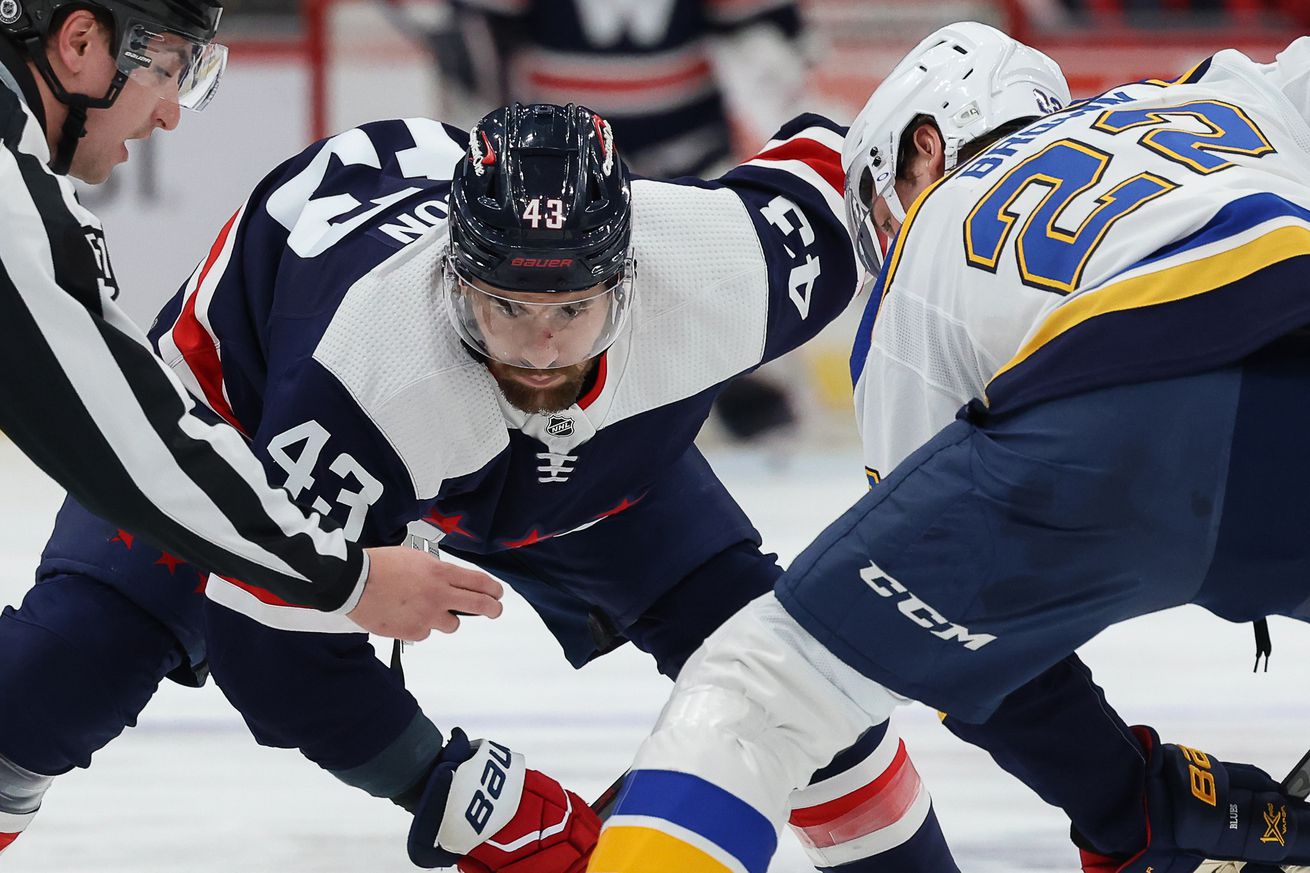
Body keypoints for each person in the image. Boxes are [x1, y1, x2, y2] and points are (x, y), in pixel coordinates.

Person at [0, 101, 973, 871]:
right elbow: (275, 660)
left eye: (573, 307)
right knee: (58, 675)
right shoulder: (367, 377)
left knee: (807, 695)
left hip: (587, 457)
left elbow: (872, 160)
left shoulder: (725, 260)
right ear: (453, 278)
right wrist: (463, 796)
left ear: (630, 279)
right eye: (507, 304)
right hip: (253, 428)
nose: (542, 346)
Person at [587, 28, 1310, 873]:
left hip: (1126, 410)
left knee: (760, 684)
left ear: (924, 144)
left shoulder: (922, 252)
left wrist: (1128, 799)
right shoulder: (1216, 94)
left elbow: (963, 638)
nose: (884, 234)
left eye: (878, 201)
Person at [0, 0, 501, 645]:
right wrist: (344, 579)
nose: (169, 113)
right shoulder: (11, 204)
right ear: (78, 41)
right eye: (164, 65)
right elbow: (137, 445)